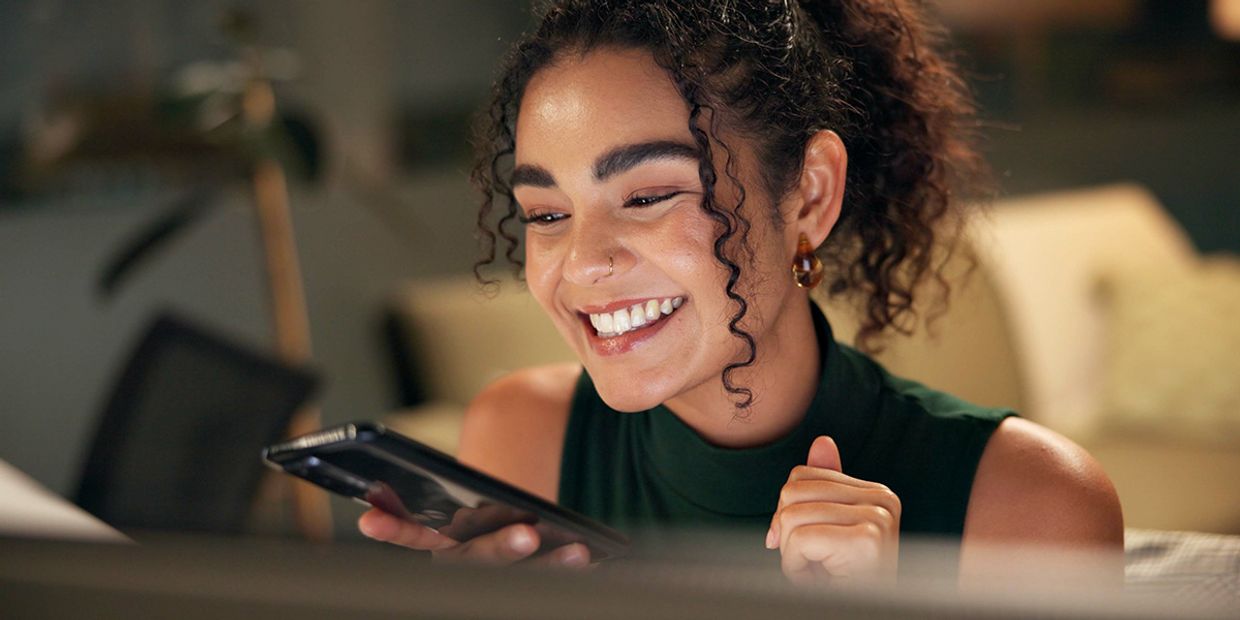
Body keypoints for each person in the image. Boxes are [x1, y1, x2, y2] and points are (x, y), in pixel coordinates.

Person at [359, 0, 1124, 583]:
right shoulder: (521, 441)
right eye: (547, 214)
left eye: (647, 196)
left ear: (810, 195)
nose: (582, 264)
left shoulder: (1035, 504)